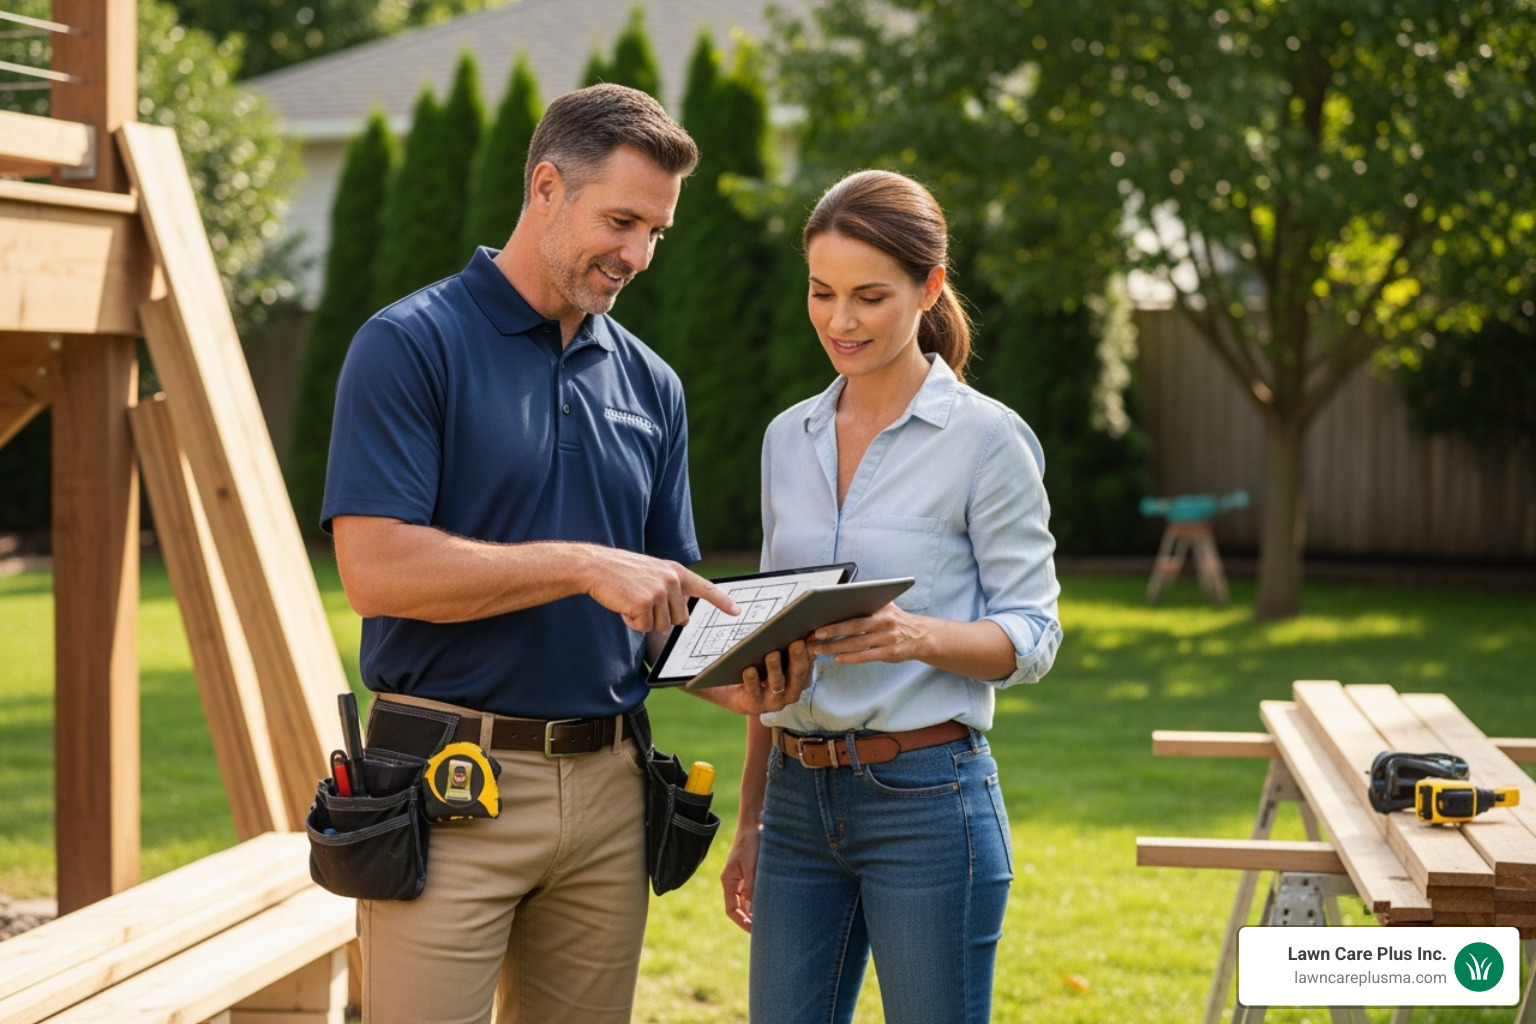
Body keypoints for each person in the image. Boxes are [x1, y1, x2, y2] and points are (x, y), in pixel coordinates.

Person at [322, 84, 770, 1024]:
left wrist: (761, 665)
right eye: (621, 220)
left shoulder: (653, 385)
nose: (638, 254)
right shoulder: (409, 345)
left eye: (656, 231)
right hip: (450, 791)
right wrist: (580, 564)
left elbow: (662, 622)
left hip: (611, 794)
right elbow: (377, 570)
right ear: (545, 187)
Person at [718, 169, 1063, 1024]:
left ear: (929, 287)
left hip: (927, 800)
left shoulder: (987, 440)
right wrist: (752, 819)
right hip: (797, 804)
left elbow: (1035, 631)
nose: (841, 321)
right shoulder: (786, 438)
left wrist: (917, 636)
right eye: (822, 292)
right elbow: (773, 643)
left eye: (870, 296)